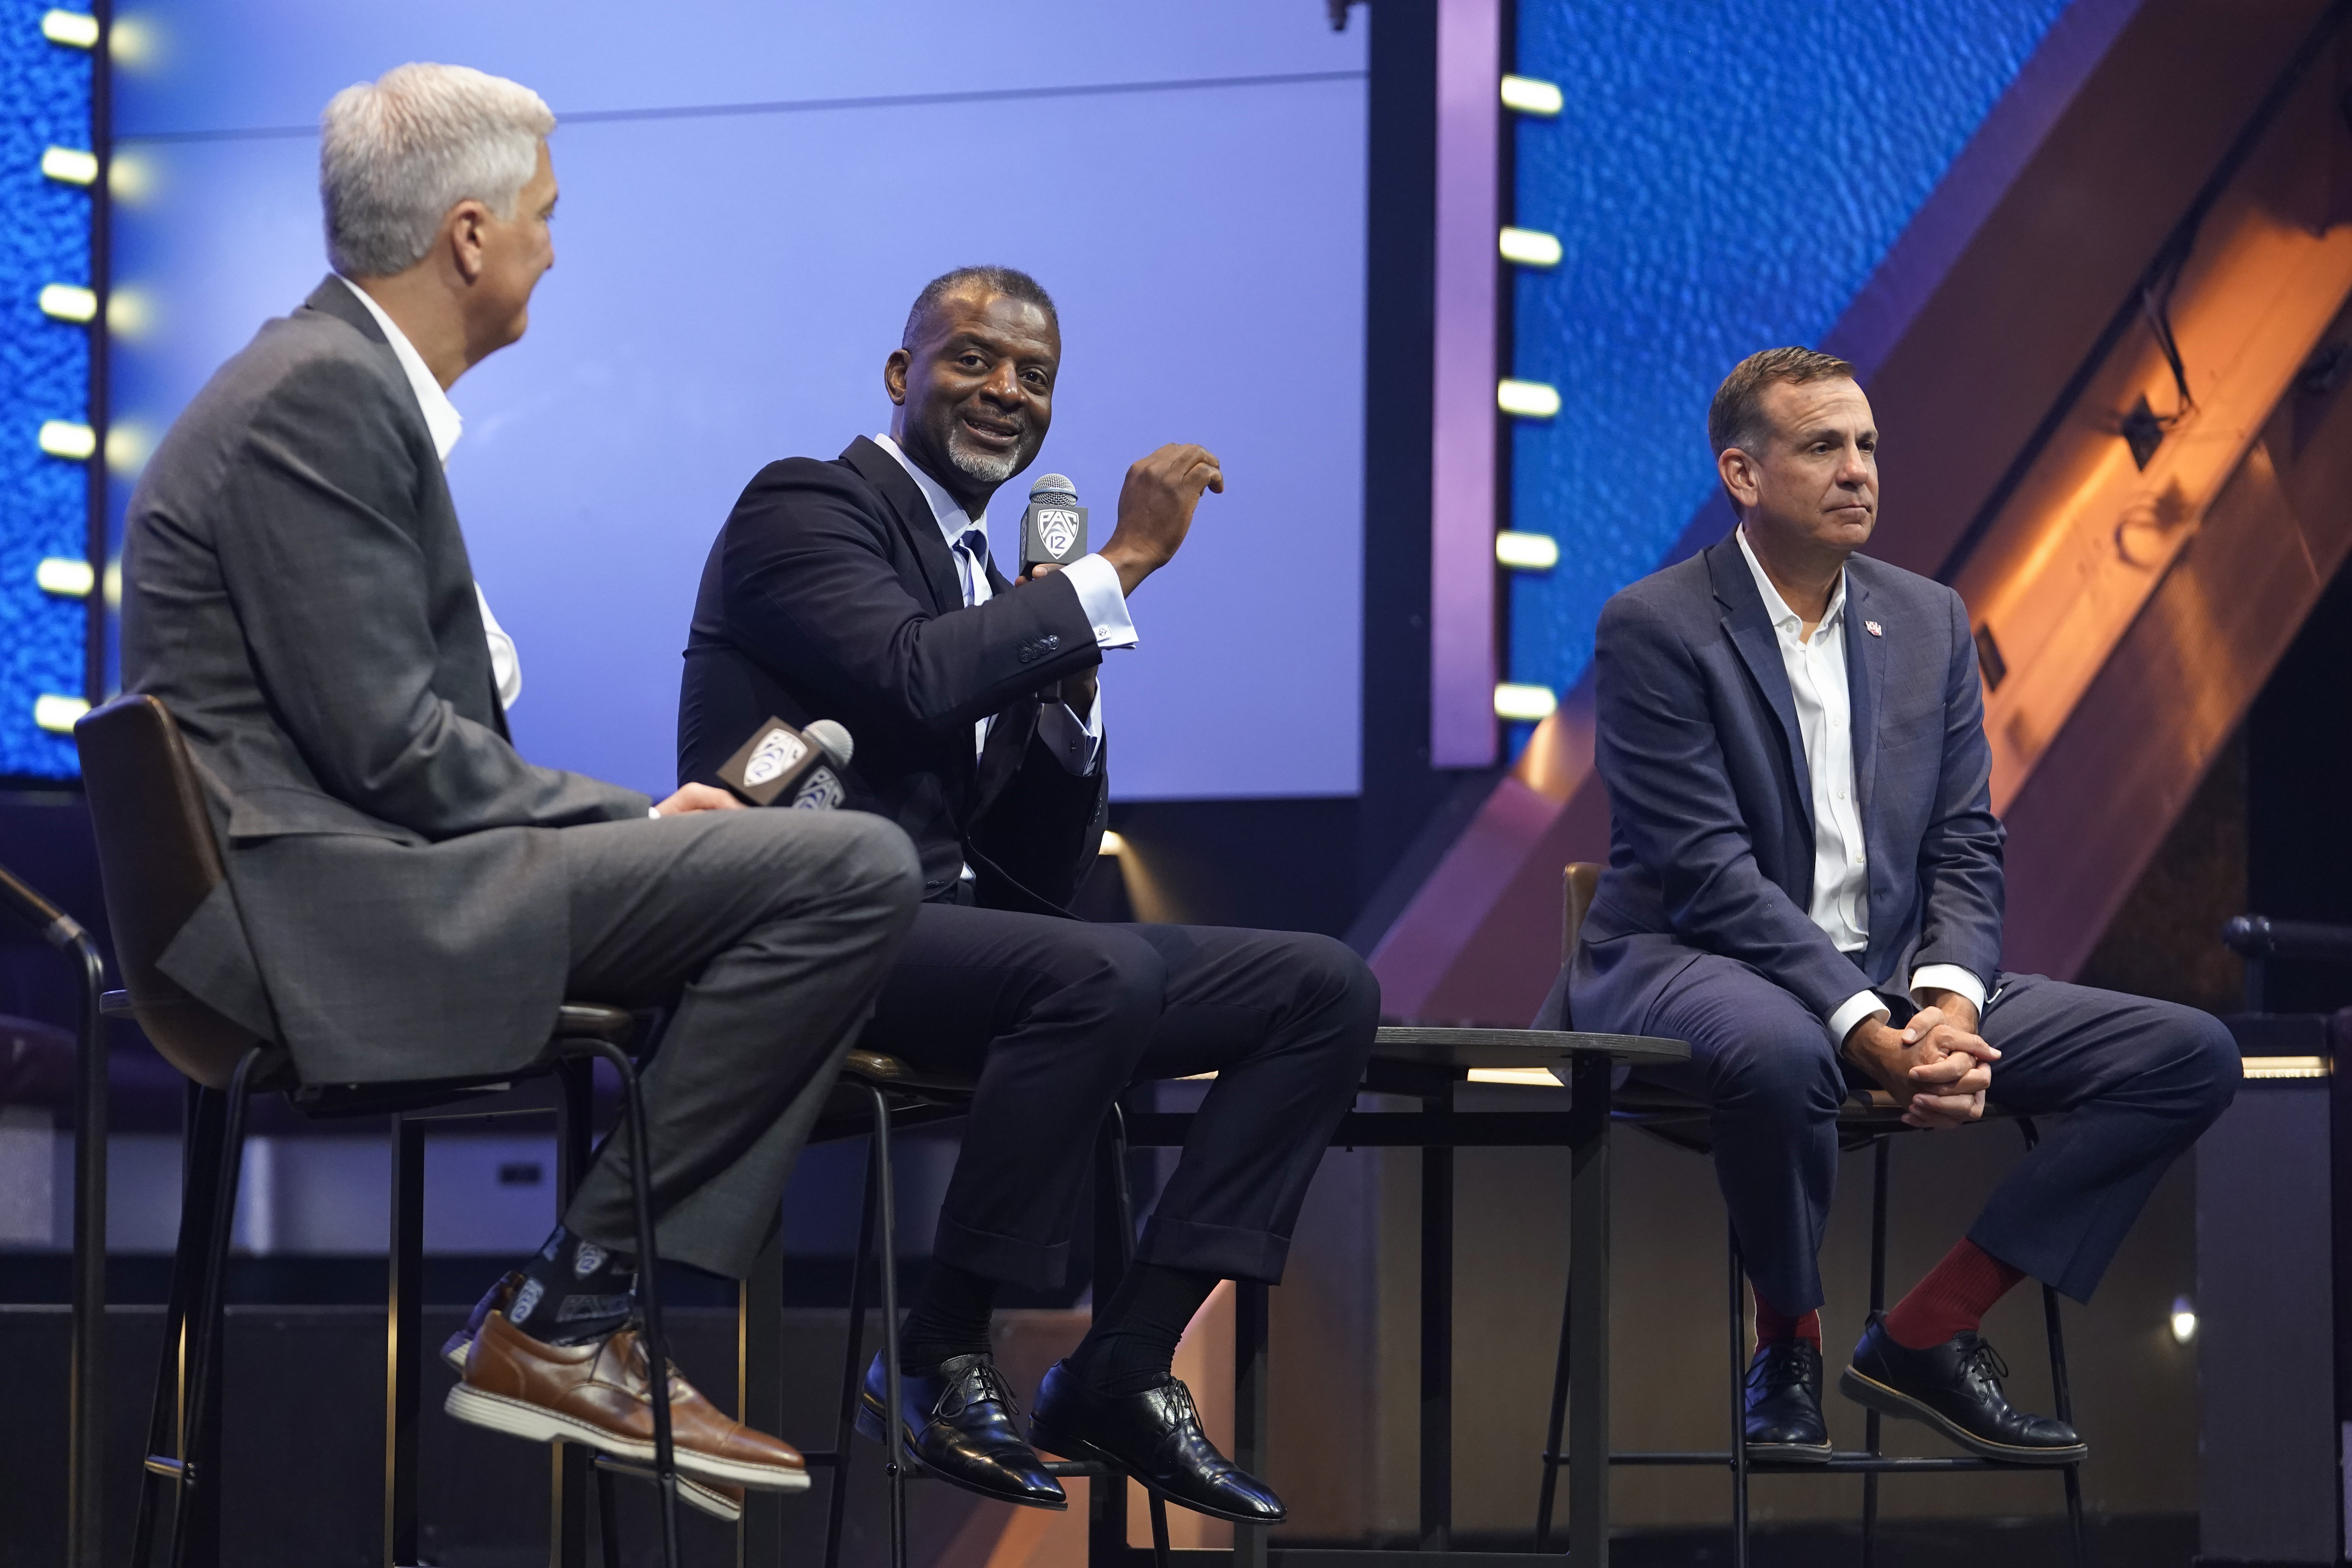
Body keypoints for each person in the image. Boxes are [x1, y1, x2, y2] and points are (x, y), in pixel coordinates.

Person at [117, 64, 923, 1522]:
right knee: (850, 869)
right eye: (548, 216)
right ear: (471, 235)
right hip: (309, 915)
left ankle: (586, 1310)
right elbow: (391, 750)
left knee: (786, 888)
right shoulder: (321, 396)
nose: (560, 244)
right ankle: (571, 1310)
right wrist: (643, 826)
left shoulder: (328, 384)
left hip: (335, 880)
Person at [675, 265, 1380, 1525]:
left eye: (1035, 376)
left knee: (1320, 988)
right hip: (800, 930)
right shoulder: (805, 507)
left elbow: (1035, 877)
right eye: (974, 360)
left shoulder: (996, 589)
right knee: (1090, 971)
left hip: (948, 937)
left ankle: (1121, 1363)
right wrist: (1115, 570)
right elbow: (909, 679)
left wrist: (1073, 689)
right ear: (902, 376)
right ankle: (942, 1355)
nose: (1006, 391)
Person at [1546, 346, 2239, 1465]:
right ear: (1743, 473)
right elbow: (1710, 873)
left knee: (2189, 1054)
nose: (1859, 469)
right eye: (1824, 446)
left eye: (1867, 444)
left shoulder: (1928, 621)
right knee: (1783, 1051)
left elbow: (1967, 844)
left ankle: (1929, 1330)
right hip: (1692, 960)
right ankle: (1788, 1343)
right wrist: (1866, 1032)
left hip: (1893, 979)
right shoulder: (1657, 624)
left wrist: (1949, 1010)